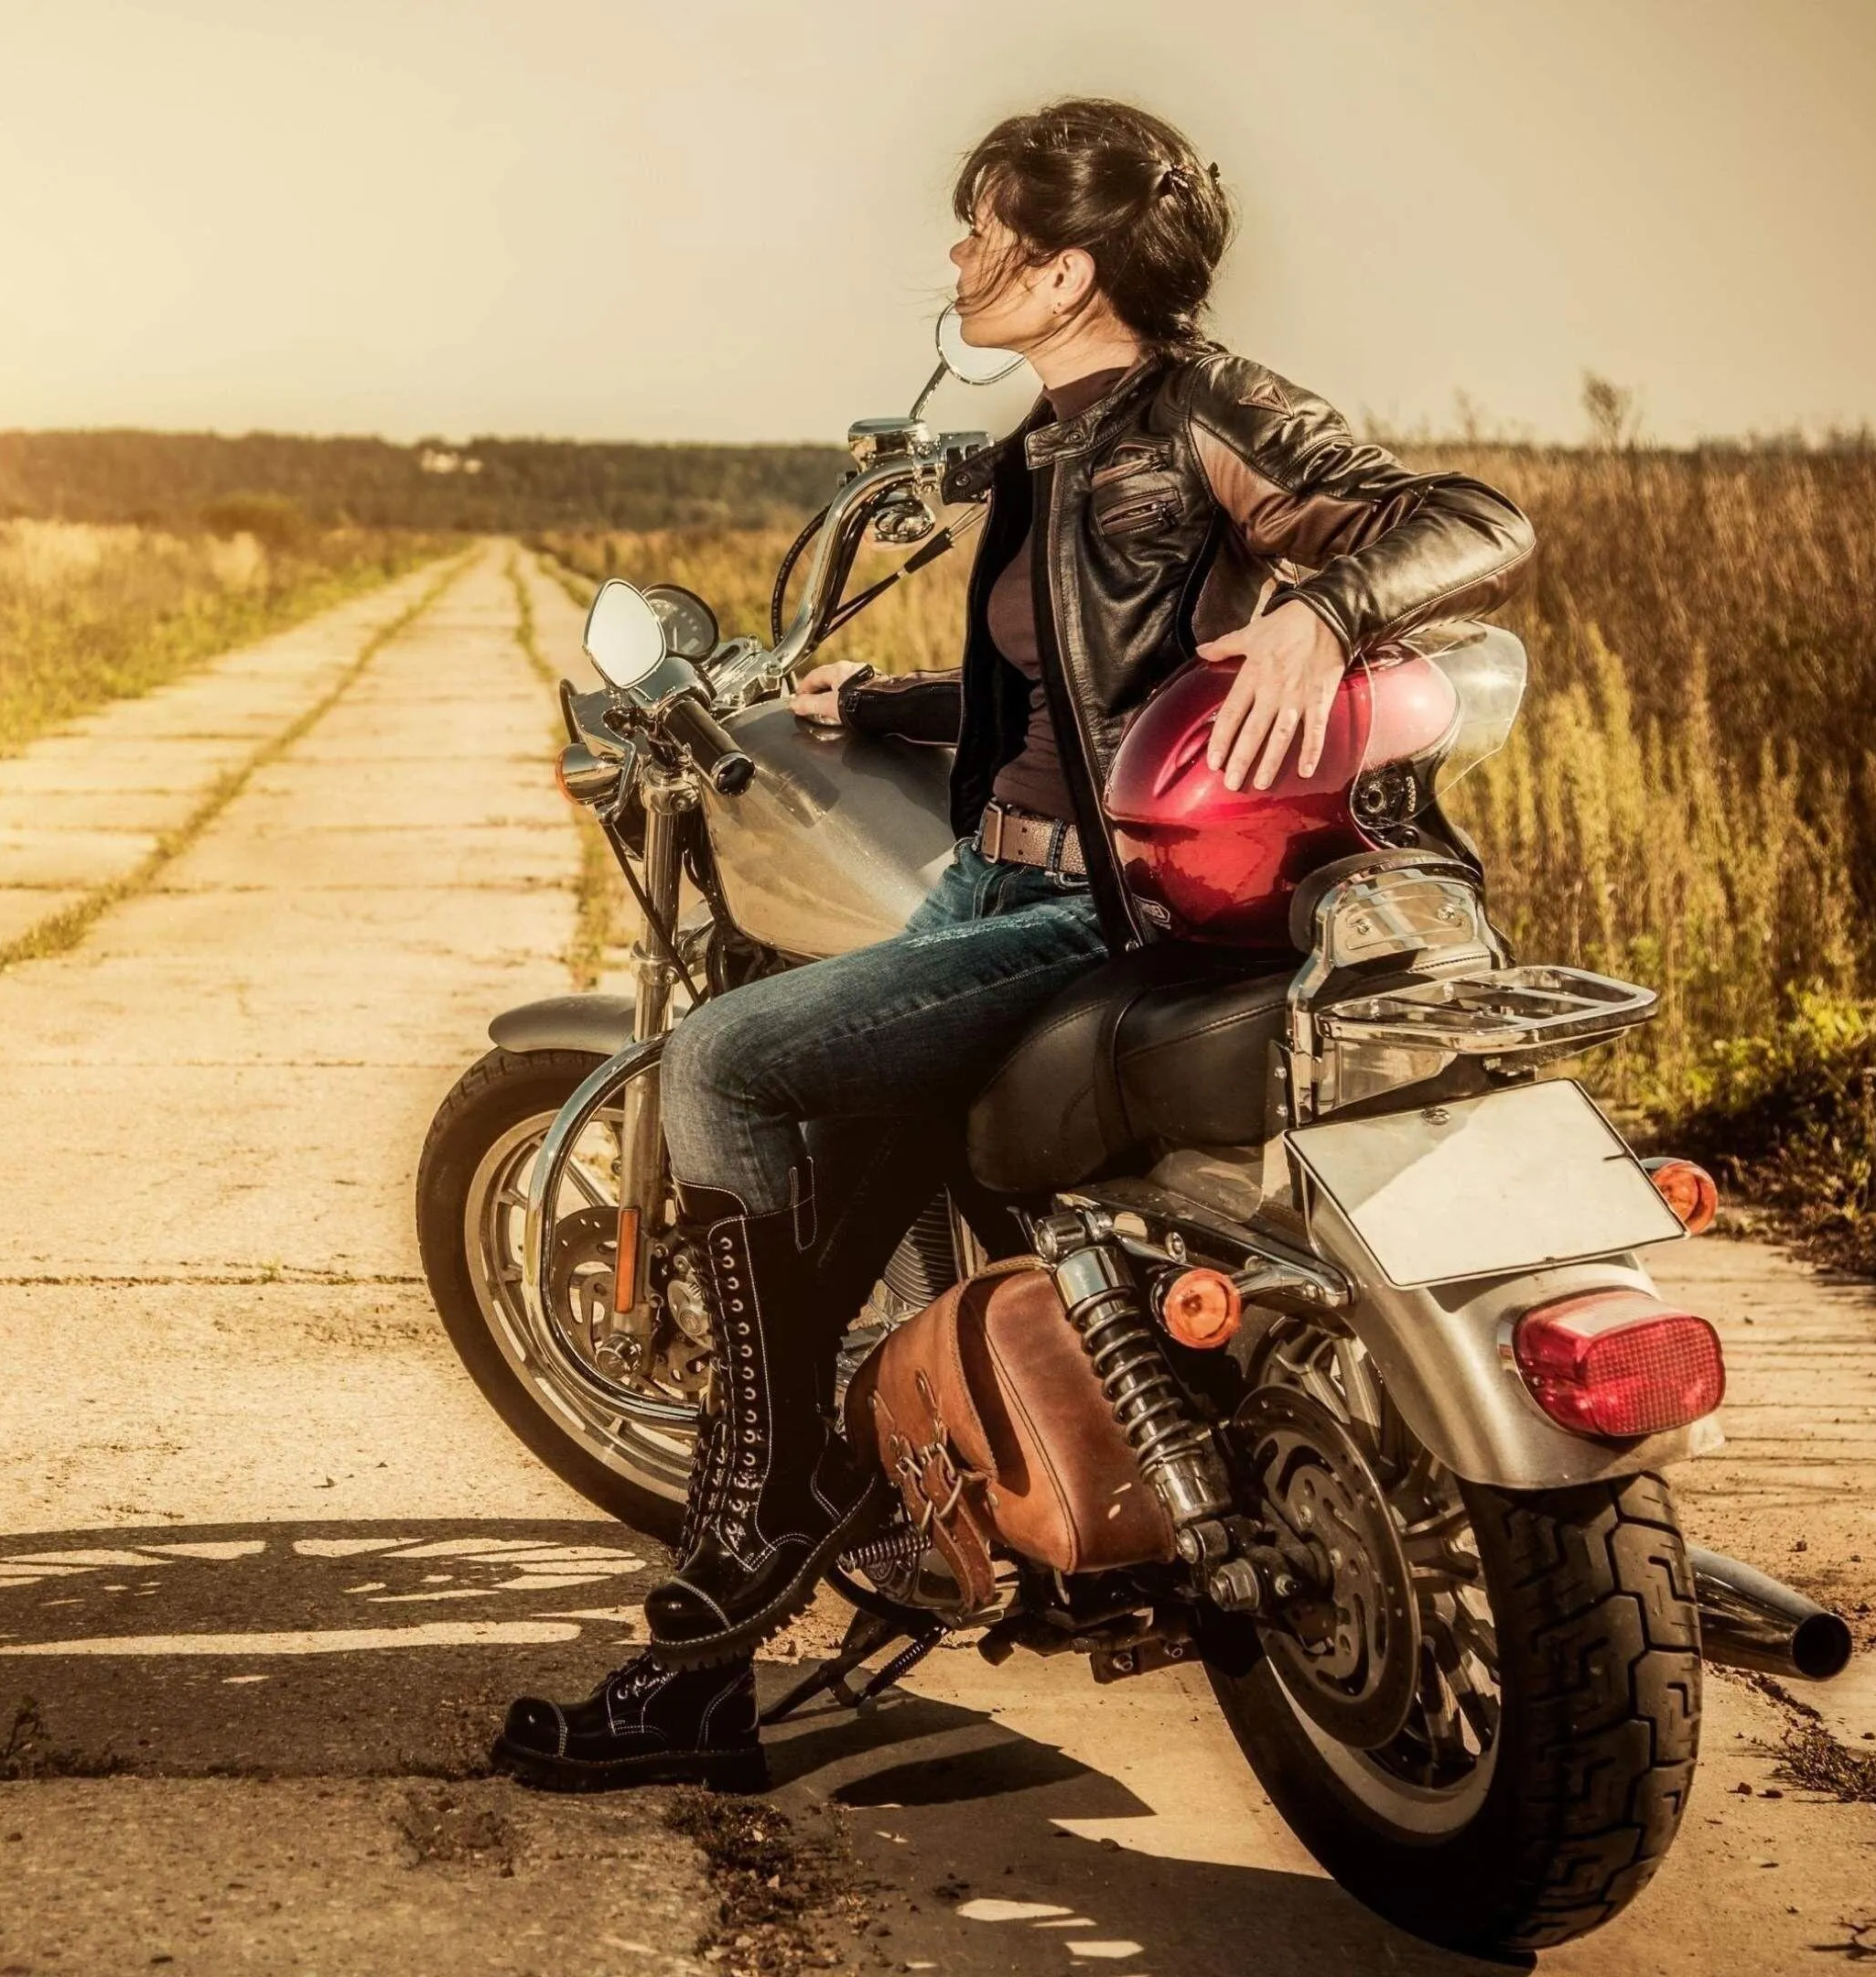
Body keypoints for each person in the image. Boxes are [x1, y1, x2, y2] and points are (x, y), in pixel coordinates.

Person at [493, 97, 1535, 1793]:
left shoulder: (1198, 404)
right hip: (1005, 878)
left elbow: (1471, 514)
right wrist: (894, 705)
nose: (958, 254)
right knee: (855, 1205)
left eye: (986, 229)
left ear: (1067, 271)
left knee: (725, 1061)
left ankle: (769, 1508)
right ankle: (783, 1547)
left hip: (1092, 909)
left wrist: (1326, 608)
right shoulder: (1057, 439)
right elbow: (1090, 681)